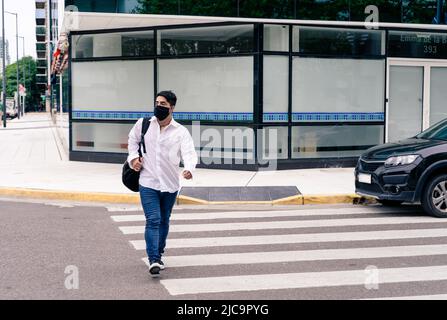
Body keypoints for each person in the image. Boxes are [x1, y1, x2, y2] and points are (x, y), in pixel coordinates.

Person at [127, 90, 198, 277]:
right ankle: (153, 259)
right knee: (153, 219)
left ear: (172, 107)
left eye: (163, 104)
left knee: (164, 220)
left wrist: (190, 168)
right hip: (147, 182)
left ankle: (159, 252)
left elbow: (189, 152)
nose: (158, 106)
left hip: (170, 184)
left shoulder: (180, 131)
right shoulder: (143, 125)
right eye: (157, 102)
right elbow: (132, 142)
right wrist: (133, 159)